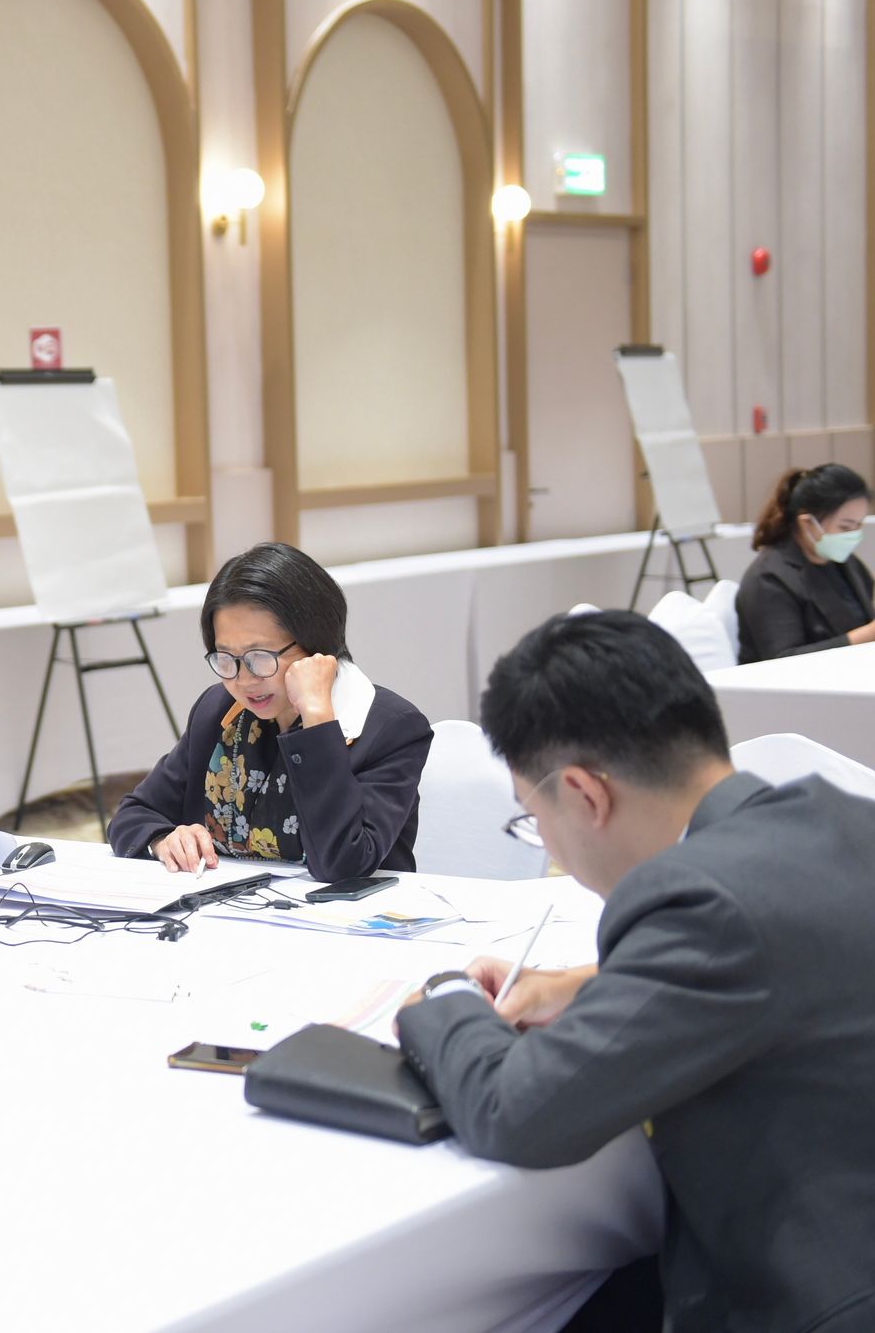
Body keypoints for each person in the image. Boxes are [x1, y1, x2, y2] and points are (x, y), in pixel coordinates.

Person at [395, 611, 875, 1332]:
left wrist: (444, 996)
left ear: (586, 795)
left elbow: (516, 1111)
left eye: (532, 820)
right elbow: (792, 948)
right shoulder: (840, 818)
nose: (546, 842)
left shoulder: (694, 898)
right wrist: (590, 981)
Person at [107, 543, 432, 882]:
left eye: (260, 657)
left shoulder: (390, 729)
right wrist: (163, 839)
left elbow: (343, 865)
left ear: (315, 643)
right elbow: (134, 815)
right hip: (225, 910)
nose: (244, 679)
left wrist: (317, 721)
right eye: (225, 658)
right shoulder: (220, 710)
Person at [735, 462, 874, 661]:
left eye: (858, 525)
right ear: (807, 522)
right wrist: (865, 636)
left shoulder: (845, 563)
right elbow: (782, 658)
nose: (853, 535)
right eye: (844, 527)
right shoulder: (768, 579)